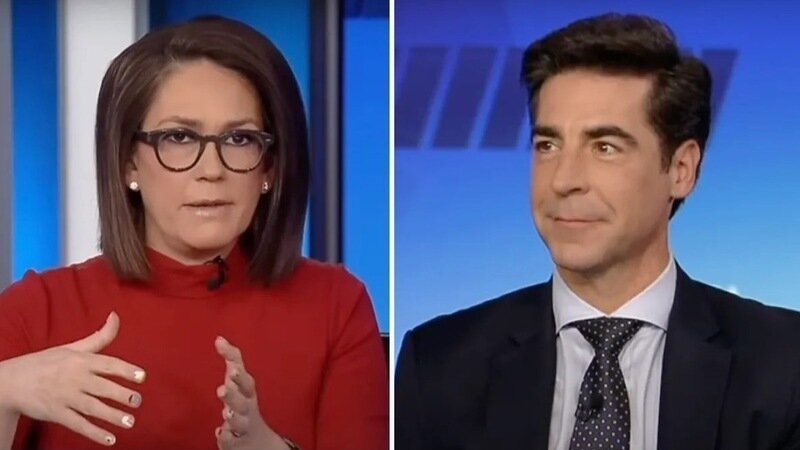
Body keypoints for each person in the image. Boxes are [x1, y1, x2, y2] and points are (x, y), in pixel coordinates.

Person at [396, 13, 800, 450]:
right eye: (548, 145)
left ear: (681, 169)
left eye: (604, 147)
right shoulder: (438, 364)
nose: (563, 180)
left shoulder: (784, 364)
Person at [0, 16, 387, 450]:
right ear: (128, 163)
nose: (211, 170)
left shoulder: (335, 306)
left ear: (269, 168)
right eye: (179, 137)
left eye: (239, 139)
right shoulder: (36, 312)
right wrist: (5, 391)